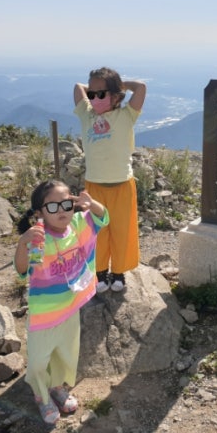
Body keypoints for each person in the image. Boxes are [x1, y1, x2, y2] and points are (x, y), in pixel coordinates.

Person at [14, 180, 109, 425]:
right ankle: (42, 397)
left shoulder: (78, 225)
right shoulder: (38, 238)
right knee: (37, 362)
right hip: (44, 315)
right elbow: (22, 270)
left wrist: (91, 204)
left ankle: (56, 387)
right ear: (39, 213)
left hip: (69, 309)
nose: (62, 211)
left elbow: (103, 218)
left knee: (64, 354)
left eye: (66, 204)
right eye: (53, 206)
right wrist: (23, 243)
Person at [73, 66, 147, 293]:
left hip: (122, 185)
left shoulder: (126, 115)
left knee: (122, 232)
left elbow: (141, 88)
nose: (95, 98)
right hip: (94, 186)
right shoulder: (87, 113)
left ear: (116, 96)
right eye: (93, 94)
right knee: (97, 233)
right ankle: (100, 272)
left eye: (102, 94)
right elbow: (78, 88)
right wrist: (98, 89)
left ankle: (119, 273)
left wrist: (118, 86)